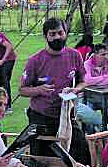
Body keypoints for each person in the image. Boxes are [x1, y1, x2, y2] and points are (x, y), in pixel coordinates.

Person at [18, 18, 86, 154]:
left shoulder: (75, 55)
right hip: (41, 115)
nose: (57, 37)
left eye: (60, 33)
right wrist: (39, 90)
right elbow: (22, 90)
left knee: (81, 150)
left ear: (65, 33)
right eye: (52, 34)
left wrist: (76, 89)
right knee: (41, 156)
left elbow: (83, 81)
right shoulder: (35, 60)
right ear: (46, 36)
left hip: (66, 114)